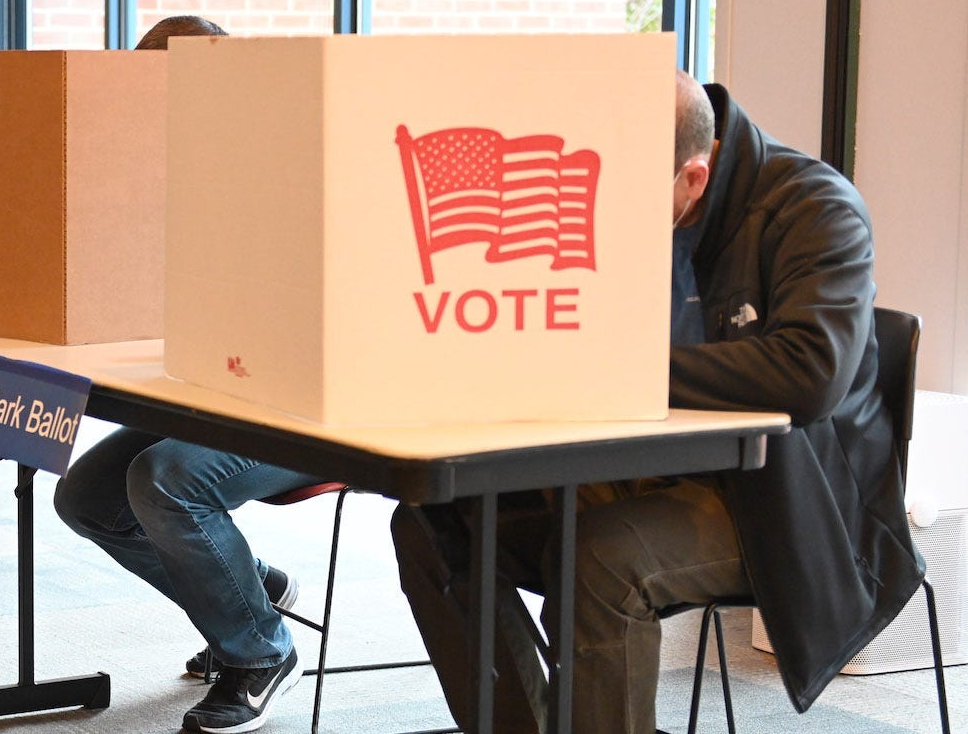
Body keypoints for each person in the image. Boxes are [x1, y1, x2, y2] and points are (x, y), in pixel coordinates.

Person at [390, 72, 923, 734]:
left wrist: (618, 369)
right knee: (435, 518)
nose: (603, 210)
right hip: (637, 464)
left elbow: (809, 373)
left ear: (694, 178)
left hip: (779, 497)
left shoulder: (815, 210)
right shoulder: (636, 190)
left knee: (604, 560)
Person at [54, 15, 323, 734]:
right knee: (86, 497)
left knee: (165, 480)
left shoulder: (284, 168)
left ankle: (258, 650)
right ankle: (249, 594)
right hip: (214, 389)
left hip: (302, 400)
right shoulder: (159, 172)